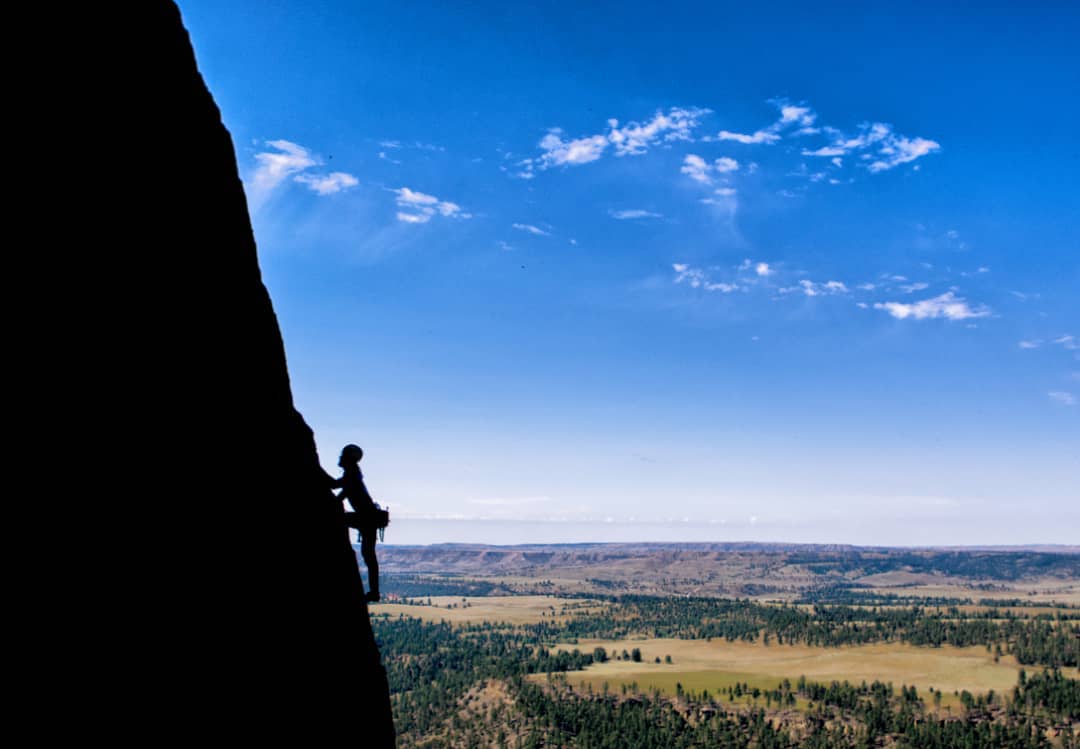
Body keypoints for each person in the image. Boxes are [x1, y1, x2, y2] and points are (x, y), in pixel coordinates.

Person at [330, 444, 382, 602]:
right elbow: (341, 490)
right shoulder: (353, 474)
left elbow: (336, 487)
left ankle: (374, 592)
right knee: (369, 555)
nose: (340, 457)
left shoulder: (352, 474)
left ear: (348, 458)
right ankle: (374, 592)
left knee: (369, 555)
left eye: (343, 455)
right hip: (368, 517)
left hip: (366, 517)